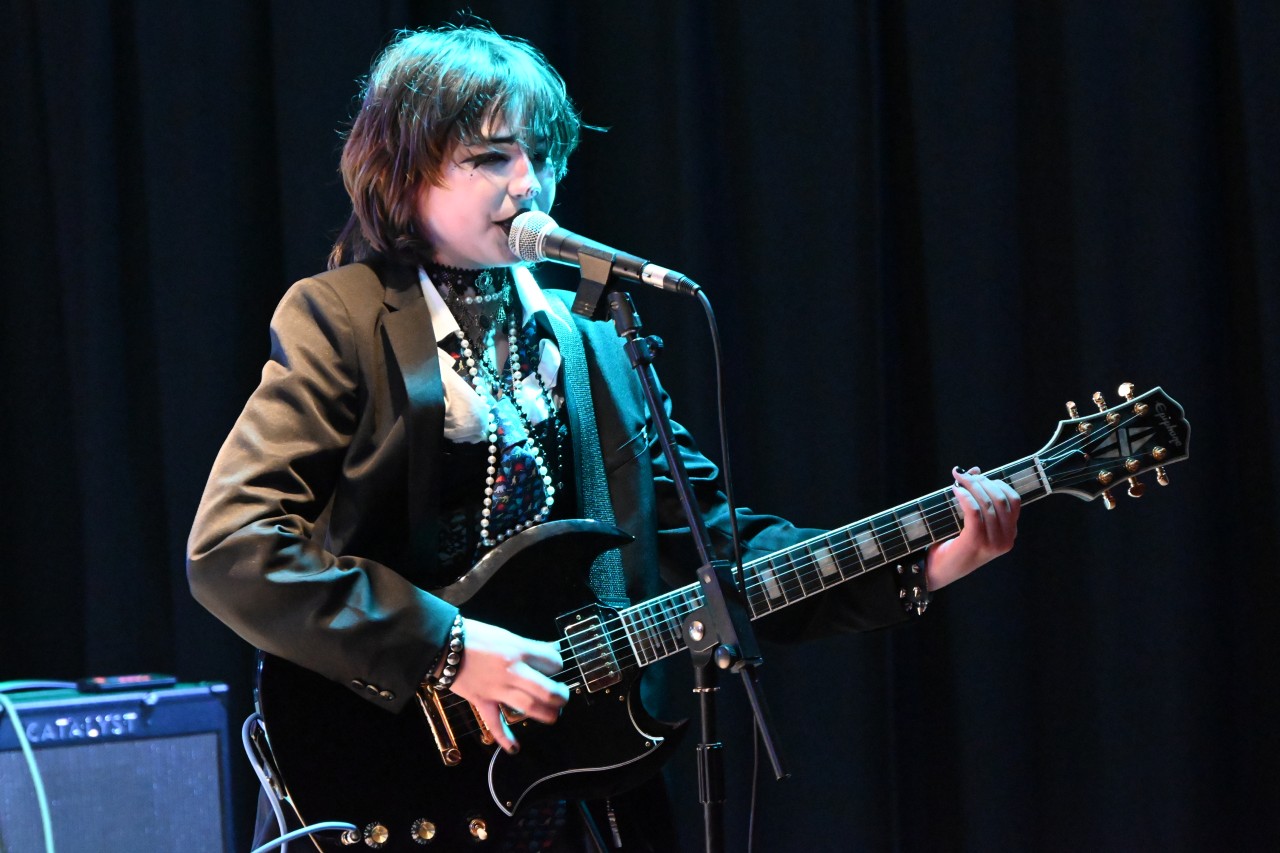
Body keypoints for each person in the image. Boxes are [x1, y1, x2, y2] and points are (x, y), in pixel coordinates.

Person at [186, 24, 1020, 852]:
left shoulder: (591, 343)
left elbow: (716, 549)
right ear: (403, 172)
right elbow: (232, 546)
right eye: (491, 157)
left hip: (578, 787)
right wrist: (449, 647)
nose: (529, 181)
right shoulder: (340, 317)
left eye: (543, 154)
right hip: (384, 770)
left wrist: (926, 560)